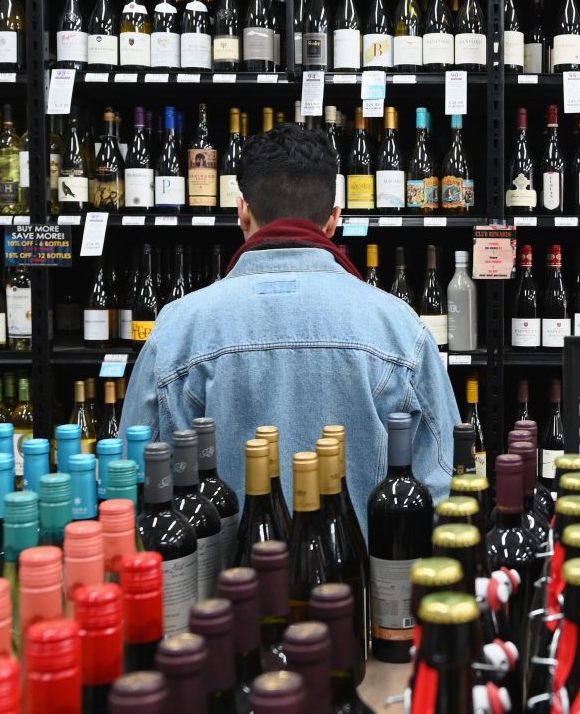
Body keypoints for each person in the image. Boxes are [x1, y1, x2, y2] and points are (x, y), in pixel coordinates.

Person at [119, 123, 460, 534]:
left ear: (242, 211)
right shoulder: (399, 327)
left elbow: (133, 490)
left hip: (216, 593)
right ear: (334, 220)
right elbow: (446, 492)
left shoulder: (177, 329)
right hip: (365, 591)